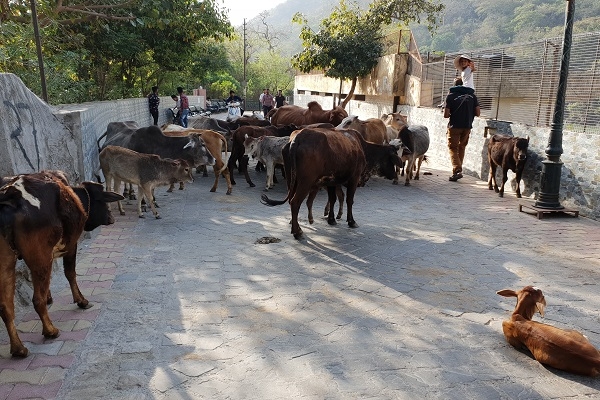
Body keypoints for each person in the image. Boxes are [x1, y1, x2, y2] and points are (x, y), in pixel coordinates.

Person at [443, 77, 480, 182]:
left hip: (454, 126)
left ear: (454, 85)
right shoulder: (472, 96)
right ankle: (456, 172)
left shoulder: (450, 96)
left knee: (453, 148)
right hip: (467, 126)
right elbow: (478, 113)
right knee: (462, 147)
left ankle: (457, 169)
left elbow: (446, 115)